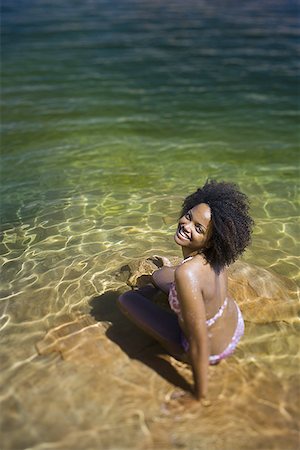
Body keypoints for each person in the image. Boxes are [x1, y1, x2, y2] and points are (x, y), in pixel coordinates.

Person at [118, 180, 254, 404]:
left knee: (127, 300)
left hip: (207, 349)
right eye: (189, 216)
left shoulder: (187, 275)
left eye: (198, 228)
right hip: (233, 328)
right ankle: (163, 284)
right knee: (158, 275)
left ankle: (196, 386)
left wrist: (197, 395)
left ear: (211, 241)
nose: (186, 225)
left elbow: (199, 341)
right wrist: (169, 271)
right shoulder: (215, 257)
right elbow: (178, 275)